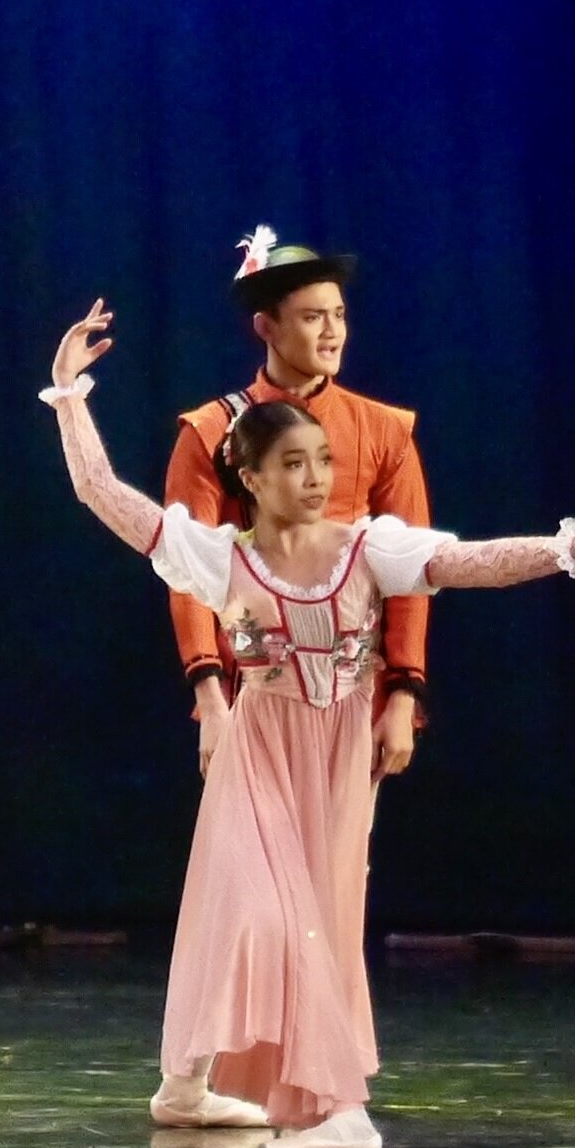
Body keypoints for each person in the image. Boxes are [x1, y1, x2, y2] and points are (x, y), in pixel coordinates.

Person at [40, 300, 575, 1148]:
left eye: (321, 460)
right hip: (260, 750)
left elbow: (467, 561)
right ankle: (335, 1109)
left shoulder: (367, 547)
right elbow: (104, 497)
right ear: (249, 479)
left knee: (319, 921)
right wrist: (71, 397)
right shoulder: (221, 557)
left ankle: (188, 1087)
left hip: (336, 758)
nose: (313, 476)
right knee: (257, 913)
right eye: (292, 463)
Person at [166, 225, 431, 783]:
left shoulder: (382, 429)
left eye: (338, 314)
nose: (333, 331)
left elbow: (412, 568)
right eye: (313, 317)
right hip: (254, 685)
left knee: (338, 864)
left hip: (352, 687)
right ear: (266, 326)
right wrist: (211, 700)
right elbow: (186, 571)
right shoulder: (213, 429)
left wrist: (403, 694)